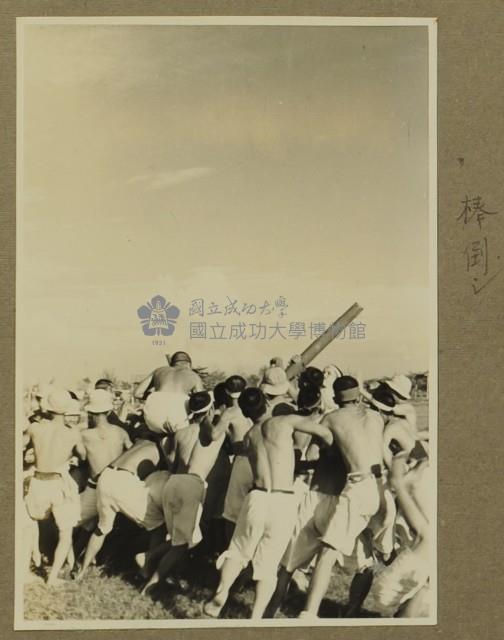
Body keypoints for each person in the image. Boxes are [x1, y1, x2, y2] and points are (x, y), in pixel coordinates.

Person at [204, 388, 333, 620]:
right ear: (266, 403)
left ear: (245, 412)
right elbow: (325, 433)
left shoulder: (250, 435)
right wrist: (324, 450)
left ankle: (222, 592)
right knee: (268, 565)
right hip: (283, 499)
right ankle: (255, 617)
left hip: (258, 496)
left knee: (237, 551)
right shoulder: (285, 421)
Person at [272, 376, 386, 619]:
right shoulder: (377, 417)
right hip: (382, 486)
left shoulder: (332, 417)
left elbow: (314, 454)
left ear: (335, 399)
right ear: (360, 395)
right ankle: (353, 612)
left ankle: (308, 614)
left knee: (327, 551)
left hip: (357, 487)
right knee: (371, 556)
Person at [140, 391, 227, 593]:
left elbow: (173, 461)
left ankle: (161, 566)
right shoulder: (216, 433)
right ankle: (151, 579)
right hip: (191, 484)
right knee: (184, 542)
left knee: (179, 538)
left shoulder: (180, 433)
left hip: (174, 481)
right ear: (210, 408)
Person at [23, 388, 87, 585]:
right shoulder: (72, 433)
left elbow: (20, 447)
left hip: (37, 480)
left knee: (31, 525)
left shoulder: (35, 428)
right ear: (67, 409)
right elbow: (83, 456)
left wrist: (33, 453)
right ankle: (52, 579)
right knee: (65, 533)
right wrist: (70, 455)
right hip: (58, 482)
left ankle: (28, 566)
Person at [75, 438, 161, 579]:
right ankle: (146, 572)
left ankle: (82, 571)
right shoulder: (158, 449)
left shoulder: (139, 443)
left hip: (107, 476)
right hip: (123, 480)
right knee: (158, 526)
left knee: (102, 528)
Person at [371, 453, 431, 617]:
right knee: (429, 537)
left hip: (394, 593)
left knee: (429, 536)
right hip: (396, 591)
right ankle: (404, 486)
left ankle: (405, 487)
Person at [77, 389, 133, 530]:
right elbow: (132, 452)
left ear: (89, 413)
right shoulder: (120, 432)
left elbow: (82, 457)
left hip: (95, 487)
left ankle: (71, 551)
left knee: (70, 522)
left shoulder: (84, 435)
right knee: (108, 526)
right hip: (118, 486)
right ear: (109, 412)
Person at [219, 376, 254, 540]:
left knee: (232, 512)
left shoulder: (229, 412)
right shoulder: (254, 407)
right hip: (258, 460)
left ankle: (228, 553)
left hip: (241, 460)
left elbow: (215, 434)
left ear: (227, 391)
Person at [136, 352, 203, 435]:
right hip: (178, 418)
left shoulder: (159, 370)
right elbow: (202, 402)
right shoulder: (194, 376)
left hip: (153, 418)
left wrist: (152, 395)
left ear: (172, 364)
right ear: (189, 364)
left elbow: (137, 393)